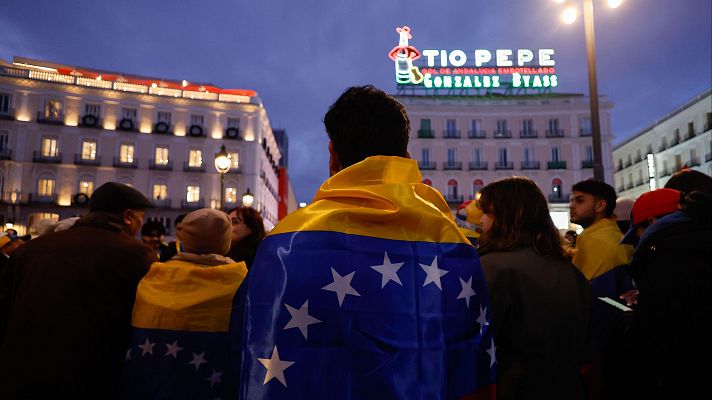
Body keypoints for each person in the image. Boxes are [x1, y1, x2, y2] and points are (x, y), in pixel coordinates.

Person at [229, 85, 496, 399]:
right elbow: (470, 362)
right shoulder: (454, 246)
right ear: (406, 156)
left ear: (333, 155)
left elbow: (247, 350)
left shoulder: (283, 246)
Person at [0, 182, 156, 398]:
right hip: (88, 376)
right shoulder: (137, 255)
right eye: (141, 218)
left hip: (21, 372)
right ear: (128, 216)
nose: (140, 225)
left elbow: (4, 308)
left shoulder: (31, 249)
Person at [477, 177, 590, 400]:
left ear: (507, 216)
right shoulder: (570, 270)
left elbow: (478, 341)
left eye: (487, 213)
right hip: (569, 387)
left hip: (516, 389)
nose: (481, 220)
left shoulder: (492, 267)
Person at [122, 208, 248, 399]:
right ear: (226, 241)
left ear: (184, 238)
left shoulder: (155, 277)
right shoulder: (241, 282)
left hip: (155, 384)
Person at [616, 188, 711, 399]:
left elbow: (649, 334)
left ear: (650, 222)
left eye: (637, 233)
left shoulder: (666, 255)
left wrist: (628, 315)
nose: (636, 241)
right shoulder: (698, 242)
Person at [569, 179, 633, 280]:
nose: (571, 206)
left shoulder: (594, 240)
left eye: (580, 200)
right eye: (572, 200)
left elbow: (581, 288)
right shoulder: (616, 235)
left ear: (600, 205)